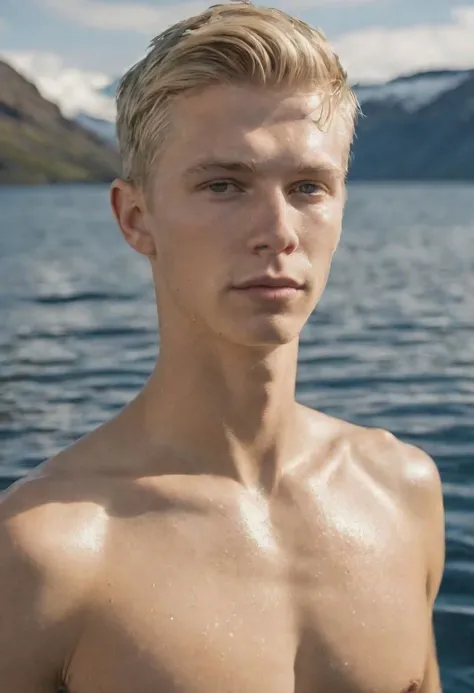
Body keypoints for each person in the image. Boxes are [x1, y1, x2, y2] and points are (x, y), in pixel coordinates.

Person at [0, 2, 445, 692]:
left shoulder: (404, 490)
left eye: (307, 187)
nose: (278, 230)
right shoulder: (45, 551)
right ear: (135, 218)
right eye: (223, 185)